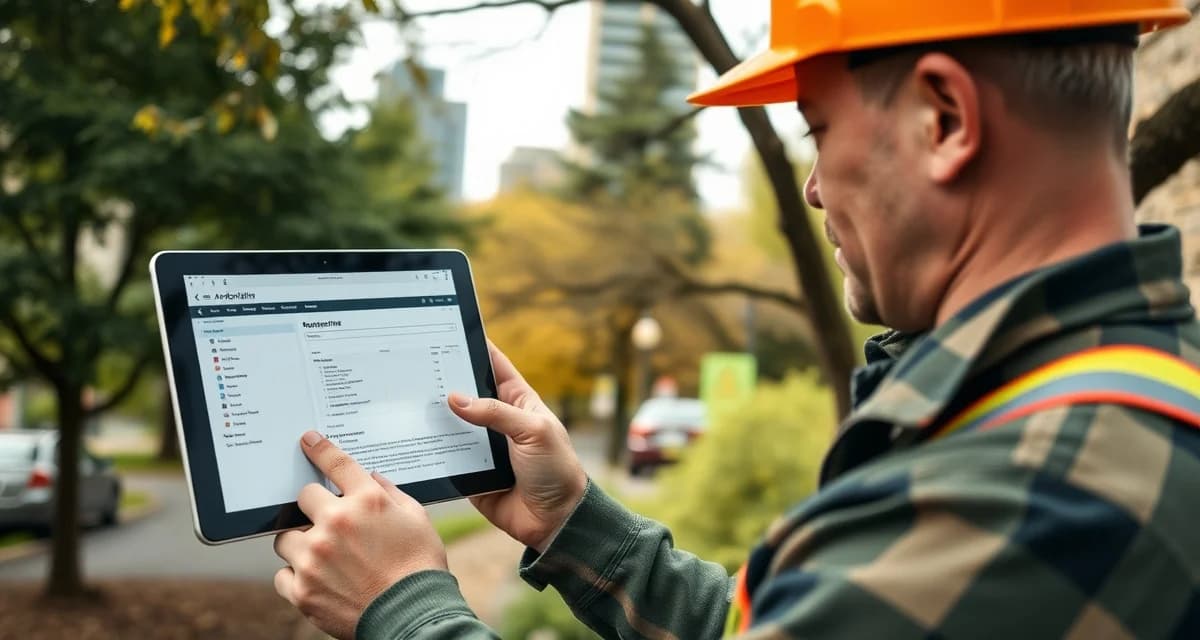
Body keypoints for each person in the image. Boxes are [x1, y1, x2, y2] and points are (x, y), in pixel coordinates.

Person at [272, 1, 1200, 638]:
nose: (810, 185)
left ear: (945, 118)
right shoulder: (1127, 403)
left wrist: (405, 605)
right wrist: (573, 525)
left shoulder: (1032, 497)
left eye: (818, 131)